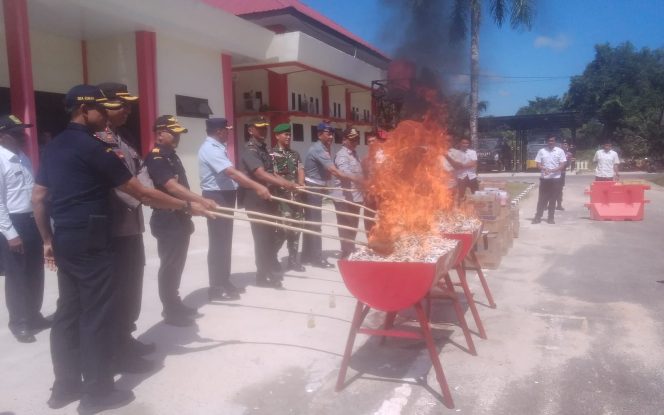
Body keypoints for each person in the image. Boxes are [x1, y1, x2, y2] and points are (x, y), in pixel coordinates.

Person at [32, 85, 210, 413]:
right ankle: (97, 392)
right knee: (97, 314)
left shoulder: (55, 145)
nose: (106, 113)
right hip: (93, 238)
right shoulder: (92, 146)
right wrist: (185, 207)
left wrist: (46, 240)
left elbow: (39, 197)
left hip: (65, 237)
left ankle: (65, 387)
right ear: (84, 110)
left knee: (68, 312)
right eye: (100, 108)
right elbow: (137, 192)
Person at [95, 82, 155, 372]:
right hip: (113, 228)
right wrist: (146, 197)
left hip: (132, 226)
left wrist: (151, 194)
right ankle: (117, 351)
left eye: (129, 105)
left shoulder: (125, 137)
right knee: (117, 291)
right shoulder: (97, 140)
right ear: (103, 107)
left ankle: (126, 338)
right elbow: (117, 185)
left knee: (132, 286)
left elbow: (142, 172)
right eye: (122, 105)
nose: (128, 110)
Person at [144, 115, 218, 327]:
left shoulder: (172, 156)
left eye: (179, 134)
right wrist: (201, 200)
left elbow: (182, 187)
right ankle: (170, 310)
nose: (177, 137)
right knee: (169, 266)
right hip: (167, 219)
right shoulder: (157, 158)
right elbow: (172, 187)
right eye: (173, 133)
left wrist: (198, 204)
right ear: (160, 134)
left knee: (176, 265)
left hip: (179, 218)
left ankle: (174, 302)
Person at [198, 117, 271, 301]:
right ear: (219, 131)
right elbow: (230, 172)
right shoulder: (210, 149)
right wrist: (257, 186)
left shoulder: (217, 147)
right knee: (218, 243)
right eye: (227, 130)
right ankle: (216, 287)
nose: (229, 132)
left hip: (225, 195)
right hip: (217, 196)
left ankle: (224, 281)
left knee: (225, 242)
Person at [0, 115, 47, 343]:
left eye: (23, 131)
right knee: (18, 275)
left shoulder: (22, 157)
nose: (22, 136)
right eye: (16, 132)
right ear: (2, 135)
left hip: (32, 221)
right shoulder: (0, 159)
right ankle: (19, 322)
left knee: (35, 271)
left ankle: (34, 315)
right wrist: (10, 234)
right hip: (13, 224)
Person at [240, 116, 298, 288]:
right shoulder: (250, 149)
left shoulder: (263, 148)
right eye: (259, 128)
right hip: (255, 198)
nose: (263, 130)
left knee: (269, 236)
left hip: (267, 198)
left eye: (265, 127)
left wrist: (287, 183)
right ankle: (263, 275)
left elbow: (271, 172)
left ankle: (266, 270)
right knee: (261, 237)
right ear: (250, 130)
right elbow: (260, 174)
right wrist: (284, 183)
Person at [301, 122, 362, 268]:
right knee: (315, 224)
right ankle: (316, 257)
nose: (331, 137)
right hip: (313, 188)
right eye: (328, 133)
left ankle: (307, 255)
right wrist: (358, 180)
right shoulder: (318, 149)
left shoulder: (324, 148)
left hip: (319, 187)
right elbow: (334, 171)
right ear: (319, 134)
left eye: (332, 134)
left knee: (312, 223)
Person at [269, 122, 306, 271]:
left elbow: (300, 169)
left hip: (296, 198)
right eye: (285, 134)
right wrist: (288, 185)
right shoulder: (272, 154)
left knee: (297, 229)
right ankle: (271, 258)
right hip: (282, 199)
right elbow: (274, 175)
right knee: (283, 229)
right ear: (277, 136)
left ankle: (293, 260)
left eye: (289, 134)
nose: (288, 137)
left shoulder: (294, 154)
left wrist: (301, 184)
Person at [329, 128, 365, 259]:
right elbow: (345, 173)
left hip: (355, 197)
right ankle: (346, 253)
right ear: (344, 140)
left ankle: (350, 249)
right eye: (352, 139)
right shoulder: (342, 155)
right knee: (346, 226)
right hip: (344, 198)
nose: (355, 141)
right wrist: (361, 180)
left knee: (353, 225)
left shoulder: (355, 154)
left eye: (356, 139)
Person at [532, 136, 567, 224]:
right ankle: (538, 217)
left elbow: (563, 164)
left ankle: (550, 218)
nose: (551, 142)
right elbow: (538, 164)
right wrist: (544, 169)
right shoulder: (542, 151)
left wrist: (554, 170)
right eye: (549, 141)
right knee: (541, 199)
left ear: (555, 141)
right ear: (547, 141)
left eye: (552, 140)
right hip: (545, 179)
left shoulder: (560, 151)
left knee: (553, 199)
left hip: (555, 179)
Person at [454, 137, 479, 205]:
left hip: (472, 176)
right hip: (461, 177)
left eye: (467, 143)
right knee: (460, 195)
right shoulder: (456, 153)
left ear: (469, 144)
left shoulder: (472, 152)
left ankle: (477, 209)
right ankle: (460, 210)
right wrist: (468, 164)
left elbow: (473, 163)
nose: (465, 144)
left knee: (476, 194)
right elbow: (456, 165)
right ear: (460, 143)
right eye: (463, 143)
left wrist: (462, 165)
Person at [556, 140, 573, 210]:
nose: (564, 146)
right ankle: (547, 204)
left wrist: (566, 162)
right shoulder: (557, 152)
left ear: (568, 146)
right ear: (561, 146)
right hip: (554, 172)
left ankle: (559, 205)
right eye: (563, 144)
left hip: (562, 173)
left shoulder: (569, 154)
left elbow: (568, 164)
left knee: (560, 189)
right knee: (551, 188)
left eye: (566, 144)